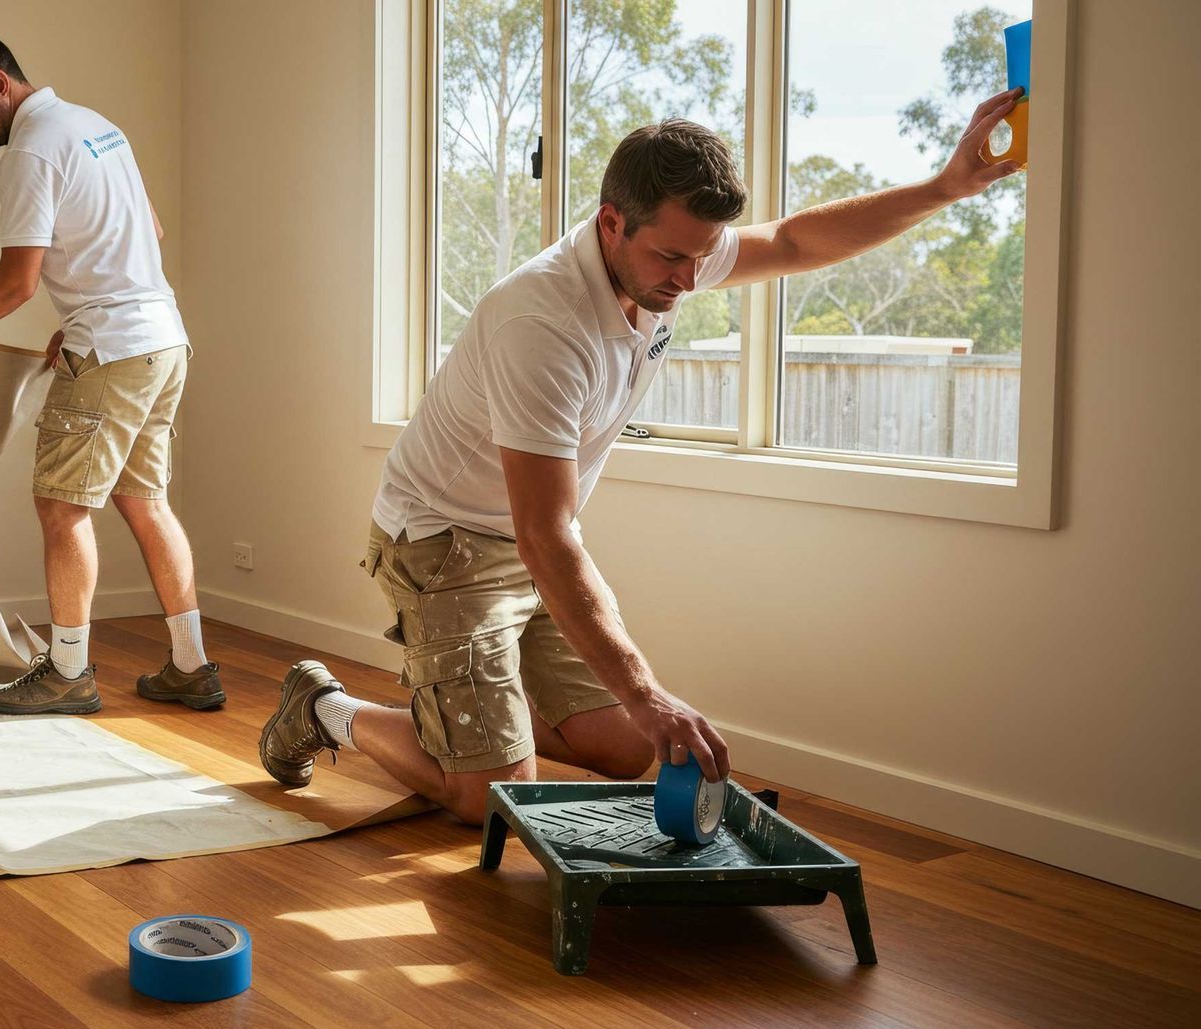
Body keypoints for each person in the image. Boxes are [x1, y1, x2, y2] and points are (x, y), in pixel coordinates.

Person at [260, 92, 1026, 824]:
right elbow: (546, 535)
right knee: (487, 795)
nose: (690, 281)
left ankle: (463, 707)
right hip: (440, 544)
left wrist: (944, 187)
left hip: (527, 544)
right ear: (610, 223)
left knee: (629, 745)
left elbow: (793, 242)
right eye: (671, 258)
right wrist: (649, 689)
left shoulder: (669, 253)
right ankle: (328, 708)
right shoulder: (543, 324)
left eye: (703, 257)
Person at [0, 30, 222, 716]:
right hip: (162, 339)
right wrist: (81, 301)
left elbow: (17, 282)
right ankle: (192, 667)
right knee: (147, 501)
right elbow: (149, 232)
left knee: (61, 508)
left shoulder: (30, 150)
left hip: (110, 348)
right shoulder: (97, 127)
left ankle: (68, 671)